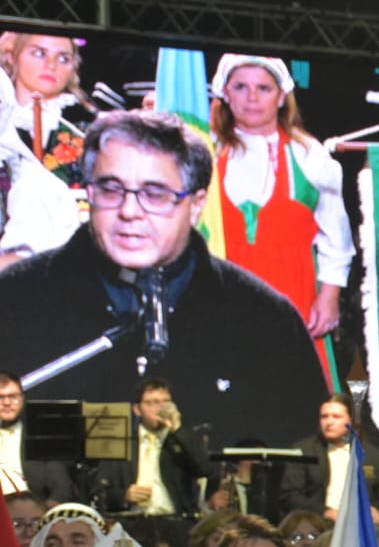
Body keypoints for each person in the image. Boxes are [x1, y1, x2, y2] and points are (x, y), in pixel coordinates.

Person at [0, 110, 328, 447]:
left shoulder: (266, 319)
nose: (129, 211)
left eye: (155, 194)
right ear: (89, 192)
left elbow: (311, 458)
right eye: (111, 190)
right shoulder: (13, 300)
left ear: (196, 205)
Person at [210, 54, 353, 384]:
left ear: (281, 96)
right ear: (225, 93)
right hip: (224, 299)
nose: (252, 97)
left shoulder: (309, 155)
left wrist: (329, 297)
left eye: (263, 88)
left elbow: (337, 237)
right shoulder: (207, 151)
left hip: (294, 298)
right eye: (241, 87)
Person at [0, 32, 90, 266]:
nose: (51, 65)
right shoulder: (6, 129)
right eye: (39, 53)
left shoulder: (87, 134)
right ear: (12, 56)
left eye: (63, 58)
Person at [98, 378, 210, 517]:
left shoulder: (181, 439)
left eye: (166, 402)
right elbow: (99, 491)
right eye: (153, 403)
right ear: (137, 409)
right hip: (132, 519)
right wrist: (124, 496)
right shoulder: (122, 443)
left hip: (174, 519)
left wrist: (177, 429)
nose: (161, 408)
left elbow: (205, 469)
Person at [279, 394, 379, 525]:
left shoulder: (372, 455)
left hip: (360, 523)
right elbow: (290, 495)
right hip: (318, 523)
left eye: (336, 417)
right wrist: (325, 512)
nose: (329, 422)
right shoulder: (304, 450)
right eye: (324, 416)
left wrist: (377, 510)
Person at [0, 372, 75, 502]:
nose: (7, 402)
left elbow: (62, 487)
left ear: (23, 398)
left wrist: (46, 509)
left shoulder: (40, 438)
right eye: (0, 397)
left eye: (13, 396)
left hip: (28, 509)